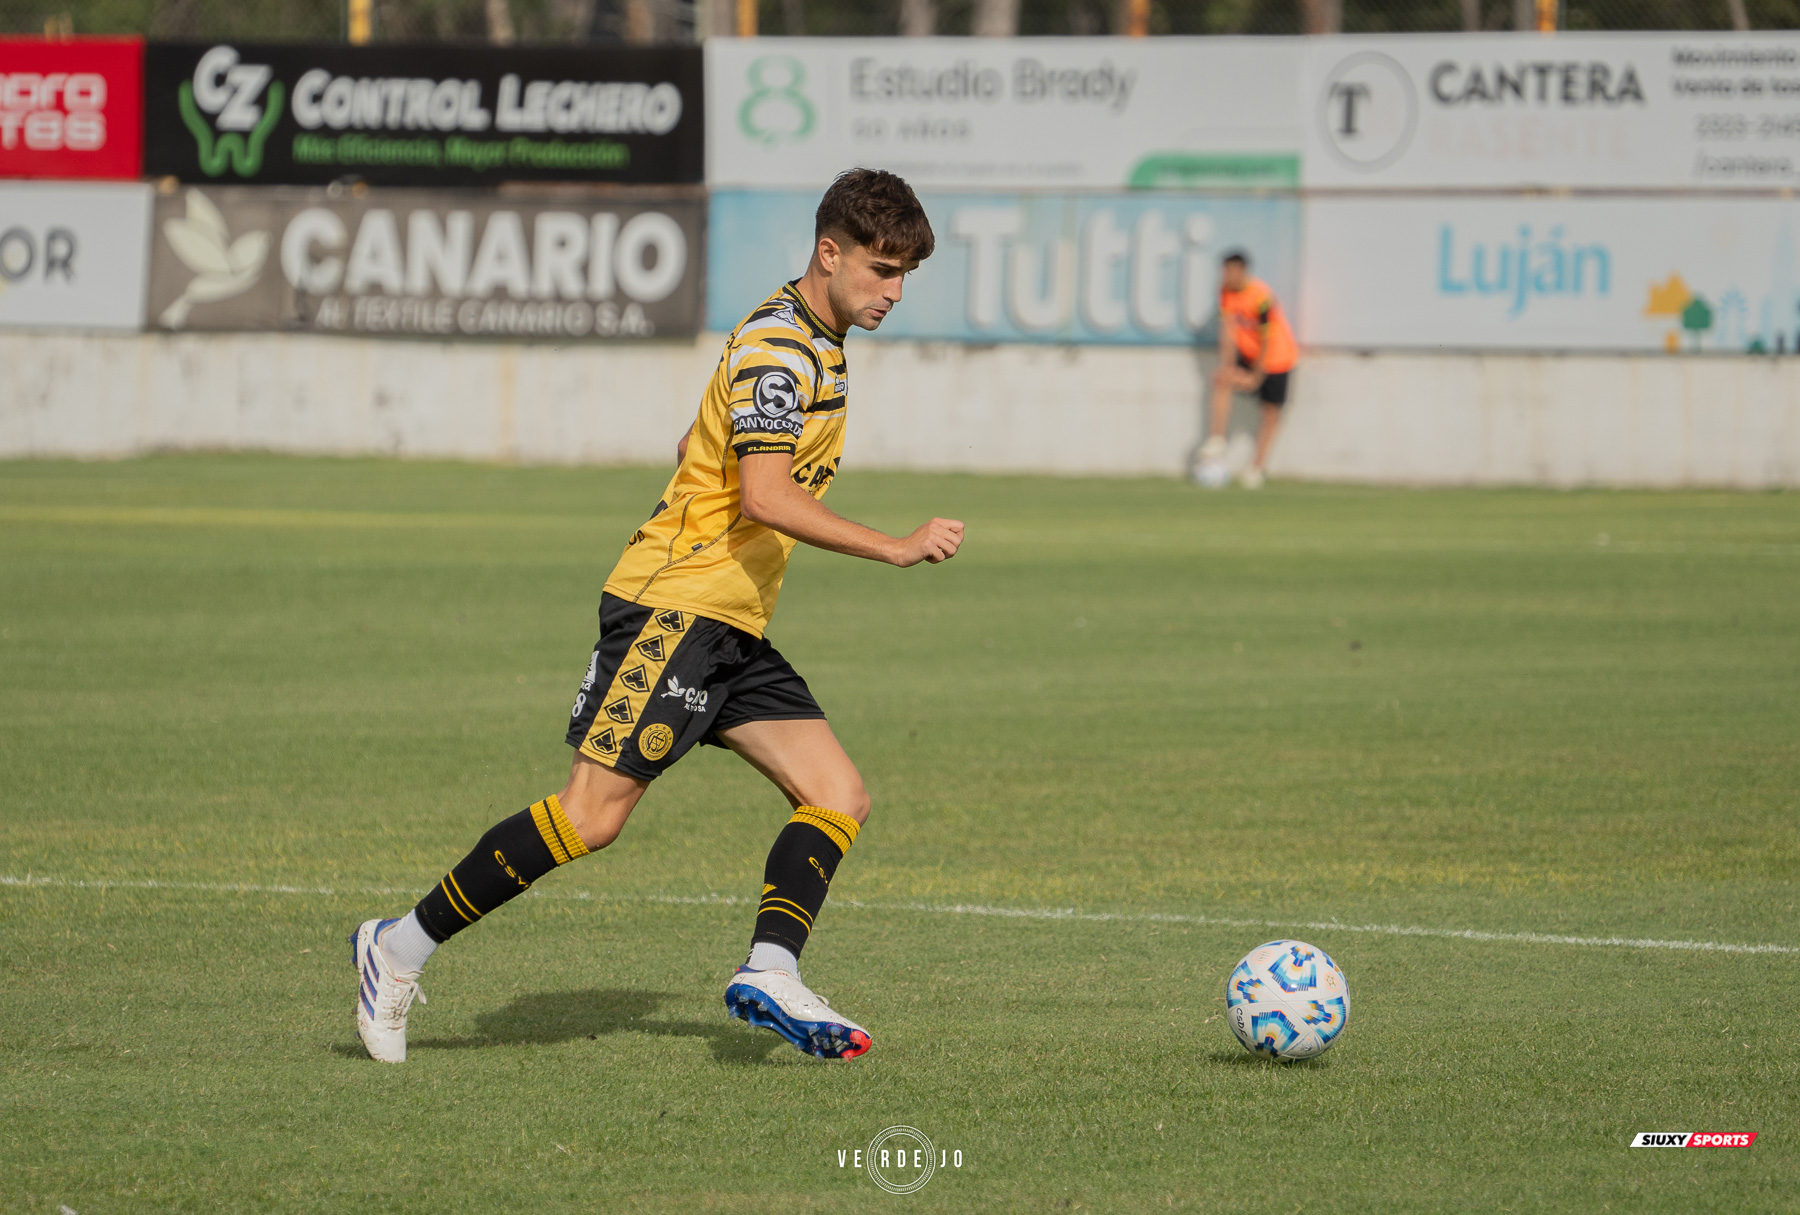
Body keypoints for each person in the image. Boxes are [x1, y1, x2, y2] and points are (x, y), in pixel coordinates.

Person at [349, 169, 962, 1064]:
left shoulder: (807, 336)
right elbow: (762, 492)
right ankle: (396, 946)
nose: (894, 292)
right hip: (673, 609)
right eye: (881, 268)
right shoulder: (782, 349)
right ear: (829, 253)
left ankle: (771, 968)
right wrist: (894, 546)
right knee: (590, 816)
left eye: (905, 273)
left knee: (838, 794)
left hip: (730, 620)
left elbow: (697, 444)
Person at [1195, 250, 1298, 490]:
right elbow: (1228, 332)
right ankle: (1217, 440)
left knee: (1270, 414)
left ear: (1242, 271)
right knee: (1222, 378)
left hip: (1277, 359)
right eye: (1224, 271)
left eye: (1230, 271)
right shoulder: (1224, 292)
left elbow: (1266, 340)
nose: (1226, 275)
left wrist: (1257, 377)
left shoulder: (1262, 298)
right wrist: (1228, 364)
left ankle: (1256, 468)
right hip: (1250, 356)